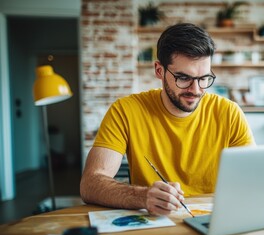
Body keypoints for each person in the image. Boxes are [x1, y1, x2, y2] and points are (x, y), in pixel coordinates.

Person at [80, 23, 255, 216]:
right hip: (155, 223)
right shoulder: (125, 111)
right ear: (159, 70)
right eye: (183, 78)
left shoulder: (229, 113)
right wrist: (142, 196)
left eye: (204, 78)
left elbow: (253, 178)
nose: (196, 90)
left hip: (214, 222)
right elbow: (90, 184)